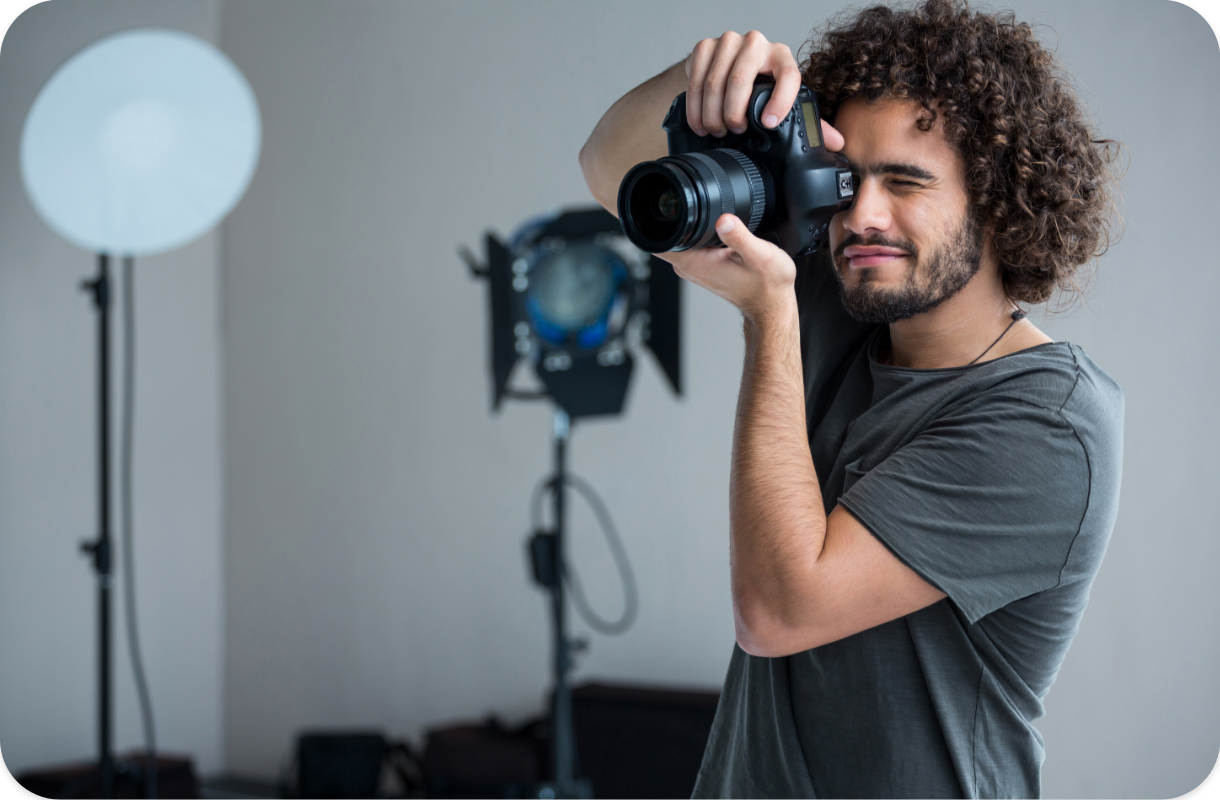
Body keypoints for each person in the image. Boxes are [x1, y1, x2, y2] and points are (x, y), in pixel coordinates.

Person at [579, 0, 1123, 797]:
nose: (861, 217)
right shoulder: (857, 303)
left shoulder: (1050, 419)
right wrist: (715, 80)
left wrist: (768, 318)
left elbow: (778, 612)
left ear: (1000, 204)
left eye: (905, 182)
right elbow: (605, 165)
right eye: (848, 180)